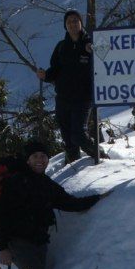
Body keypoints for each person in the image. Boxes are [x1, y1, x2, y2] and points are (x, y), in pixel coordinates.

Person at [0, 139, 109, 269]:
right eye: (35, 156)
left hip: (39, 242)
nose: (40, 160)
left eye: (44, 156)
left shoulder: (46, 184)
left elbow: (69, 203)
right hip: (18, 243)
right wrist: (3, 247)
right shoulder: (14, 182)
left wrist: (98, 198)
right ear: (28, 160)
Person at [37, 9, 101, 163]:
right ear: (65, 26)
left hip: (83, 98)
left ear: (81, 23)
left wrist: (92, 50)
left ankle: (100, 156)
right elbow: (55, 70)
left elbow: (105, 60)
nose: (72, 24)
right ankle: (73, 170)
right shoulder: (61, 47)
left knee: (78, 135)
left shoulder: (90, 43)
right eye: (69, 22)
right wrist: (45, 75)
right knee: (68, 140)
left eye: (75, 20)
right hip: (63, 99)